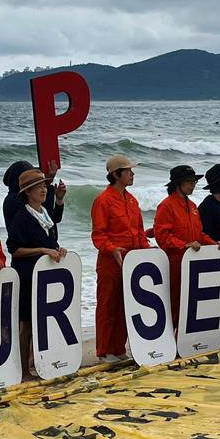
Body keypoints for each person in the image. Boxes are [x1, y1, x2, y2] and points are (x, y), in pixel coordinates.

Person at [6, 168, 68, 375]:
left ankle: (40, 362)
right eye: (38, 187)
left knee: (43, 320)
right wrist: (42, 250)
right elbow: (14, 248)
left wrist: (57, 249)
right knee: (27, 323)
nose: (43, 190)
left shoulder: (45, 213)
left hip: (45, 275)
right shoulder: (22, 216)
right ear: (27, 192)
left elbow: (51, 238)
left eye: (44, 186)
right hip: (27, 274)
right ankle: (23, 369)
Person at [90, 154, 149, 361]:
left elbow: (139, 231)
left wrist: (147, 251)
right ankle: (104, 350)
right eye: (128, 171)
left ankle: (119, 348)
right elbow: (98, 234)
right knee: (107, 305)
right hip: (110, 262)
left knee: (127, 304)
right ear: (116, 175)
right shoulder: (103, 200)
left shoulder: (132, 200)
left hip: (131, 261)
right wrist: (112, 248)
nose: (132, 174)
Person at [155, 165, 216, 323]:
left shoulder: (193, 206)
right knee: (175, 303)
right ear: (178, 184)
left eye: (194, 181)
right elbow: (161, 236)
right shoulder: (166, 206)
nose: (193, 184)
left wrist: (215, 244)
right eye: (189, 181)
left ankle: (186, 340)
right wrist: (184, 245)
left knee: (191, 303)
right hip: (175, 262)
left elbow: (200, 234)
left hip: (194, 263)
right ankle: (173, 340)